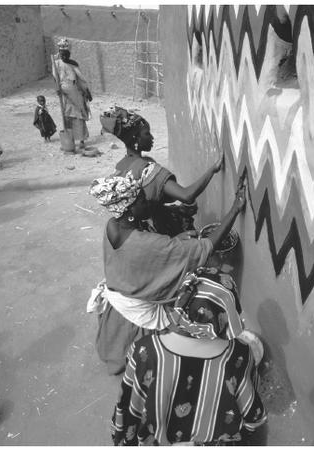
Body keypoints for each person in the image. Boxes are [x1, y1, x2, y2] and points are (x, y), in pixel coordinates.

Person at [88, 167, 247, 375]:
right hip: (137, 311)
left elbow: (134, 257)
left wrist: (173, 242)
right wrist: (235, 208)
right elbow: (206, 247)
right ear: (128, 210)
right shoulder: (147, 244)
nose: (147, 203)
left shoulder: (113, 226)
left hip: (118, 294)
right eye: (141, 201)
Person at [111, 267, 268, 446]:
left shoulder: (145, 351)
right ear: (226, 312)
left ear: (181, 302)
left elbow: (128, 406)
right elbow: (252, 416)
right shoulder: (239, 354)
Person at [100, 106, 223, 236]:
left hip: (134, 229)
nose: (152, 138)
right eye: (147, 133)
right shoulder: (147, 169)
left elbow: (149, 197)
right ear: (136, 138)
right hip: (155, 230)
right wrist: (212, 170)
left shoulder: (121, 165)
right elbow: (186, 195)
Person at [52, 38, 92, 149]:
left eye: (66, 54)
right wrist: (57, 89)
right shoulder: (56, 64)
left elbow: (80, 79)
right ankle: (70, 140)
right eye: (62, 54)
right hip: (64, 94)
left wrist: (86, 91)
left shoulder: (73, 64)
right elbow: (55, 79)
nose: (64, 56)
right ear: (59, 54)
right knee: (68, 116)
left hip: (75, 93)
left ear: (69, 54)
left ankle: (82, 140)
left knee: (79, 116)